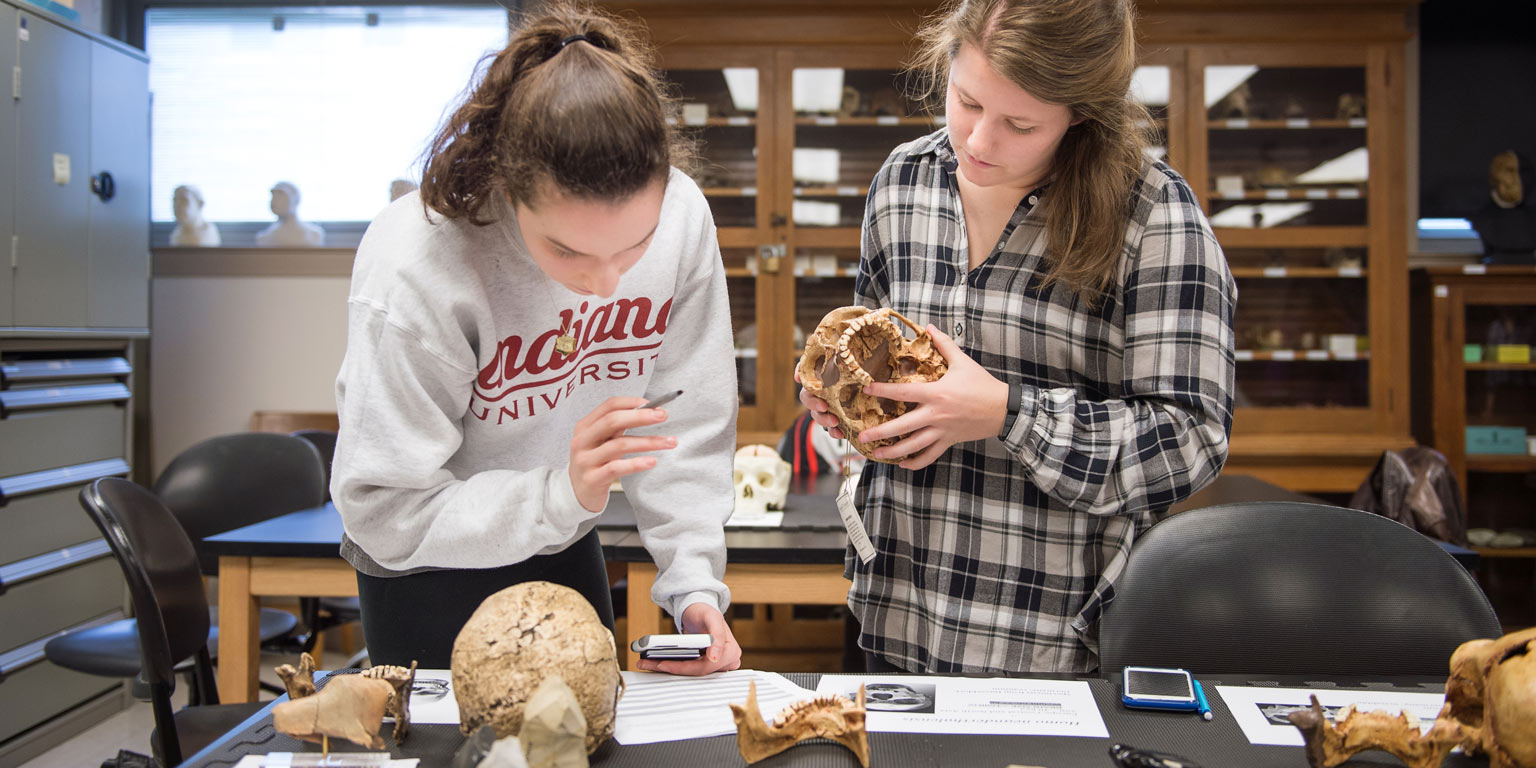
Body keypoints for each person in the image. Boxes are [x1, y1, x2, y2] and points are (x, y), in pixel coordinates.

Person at [799, 0, 1236, 674]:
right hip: (896, 611)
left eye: (1020, 124)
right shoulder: (902, 184)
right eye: (967, 100)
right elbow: (873, 351)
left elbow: (1191, 439)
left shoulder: (1154, 217)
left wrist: (1007, 415)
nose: (977, 141)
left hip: (1048, 640)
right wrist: (846, 404)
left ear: (1081, 117)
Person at [331, 2, 741, 674]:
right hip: (423, 564)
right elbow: (384, 506)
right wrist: (558, 493)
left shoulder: (682, 217)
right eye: (567, 251)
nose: (607, 287)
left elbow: (683, 422)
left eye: (633, 248)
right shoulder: (418, 260)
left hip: (563, 536)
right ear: (508, 190)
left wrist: (693, 585)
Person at [255, 181, 325, 246]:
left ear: (295, 200)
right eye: (274, 197)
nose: (274, 201)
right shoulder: (265, 237)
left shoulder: (314, 235)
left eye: (281, 197)